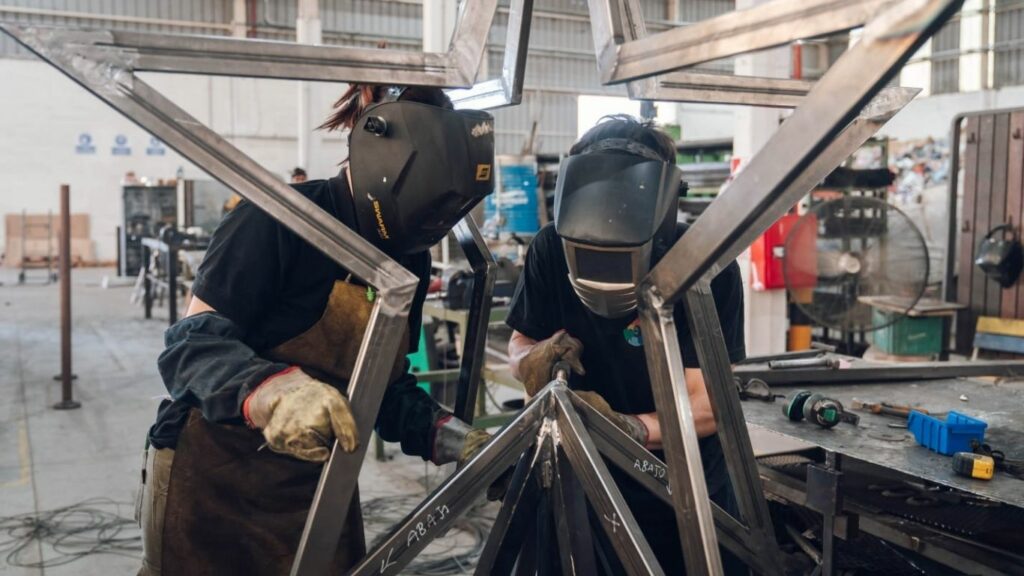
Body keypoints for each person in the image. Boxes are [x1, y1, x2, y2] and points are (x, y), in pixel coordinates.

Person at [137, 84, 497, 575]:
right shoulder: (279, 219)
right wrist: (271, 392)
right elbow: (189, 345)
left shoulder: (408, 254)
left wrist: (457, 440)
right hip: (216, 481)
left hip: (318, 483)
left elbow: (384, 390)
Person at [506, 116, 747, 574]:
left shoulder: (702, 265)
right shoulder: (550, 249)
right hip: (579, 479)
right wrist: (529, 360)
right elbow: (520, 341)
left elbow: (711, 404)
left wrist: (629, 429)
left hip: (681, 491)